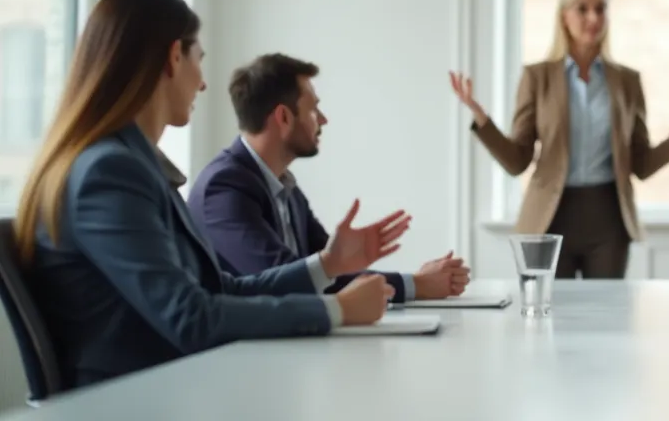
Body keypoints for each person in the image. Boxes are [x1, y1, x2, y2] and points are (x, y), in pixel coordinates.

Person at [14, 0, 406, 389]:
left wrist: (326, 266)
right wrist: (335, 311)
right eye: (199, 59)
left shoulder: (131, 166)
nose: (202, 84)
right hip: (138, 400)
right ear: (173, 57)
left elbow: (219, 287)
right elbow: (191, 317)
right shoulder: (110, 173)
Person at [450, 0, 669, 279]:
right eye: (582, 8)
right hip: (550, 219)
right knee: (549, 318)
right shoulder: (537, 78)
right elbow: (517, 161)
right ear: (564, 16)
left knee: (606, 319)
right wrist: (481, 118)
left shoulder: (626, 82)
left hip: (608, 218)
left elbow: (642, 164)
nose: (593, 17)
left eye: (601, 8)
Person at [188, 53, 471, 302]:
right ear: (284, 117)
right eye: (313, 108)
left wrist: (413, 280)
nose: (323, 120)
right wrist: (416, 284)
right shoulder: (224, 187)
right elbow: (284, 278)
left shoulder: (285, 186)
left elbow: (328, 269)